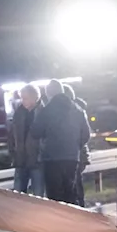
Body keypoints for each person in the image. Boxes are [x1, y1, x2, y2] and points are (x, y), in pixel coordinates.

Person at [31, 80, 92, 209]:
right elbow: (86, 134)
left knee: (55, 196)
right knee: (70, 192)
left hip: (51, 158)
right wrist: (75, 146)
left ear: (48, 93)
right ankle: (73, 223)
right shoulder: (77, 109)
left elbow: (35, 132)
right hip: (72, 158)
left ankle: (59, 225)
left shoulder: (47, 111)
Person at [6, 84, 45, 232]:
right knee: (18, 198)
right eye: (21, 97)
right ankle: (18, 230)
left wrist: (43, 154)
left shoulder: (43, 113)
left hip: (37, 161)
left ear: (36, 97)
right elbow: (11, 135)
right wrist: (13, 152)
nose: (23, 101)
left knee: (37, 198)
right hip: (21, 160)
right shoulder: (18, 113)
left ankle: (35, 229)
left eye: (25, 97)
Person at [63, 84, 92, 206]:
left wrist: (74, 146)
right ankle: (78, 206)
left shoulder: (75, 110)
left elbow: (85, 134)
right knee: (75, 183)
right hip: (78, 153)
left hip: (77, 154)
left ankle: (80, 207)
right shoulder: (78, 109)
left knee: (76, 183)